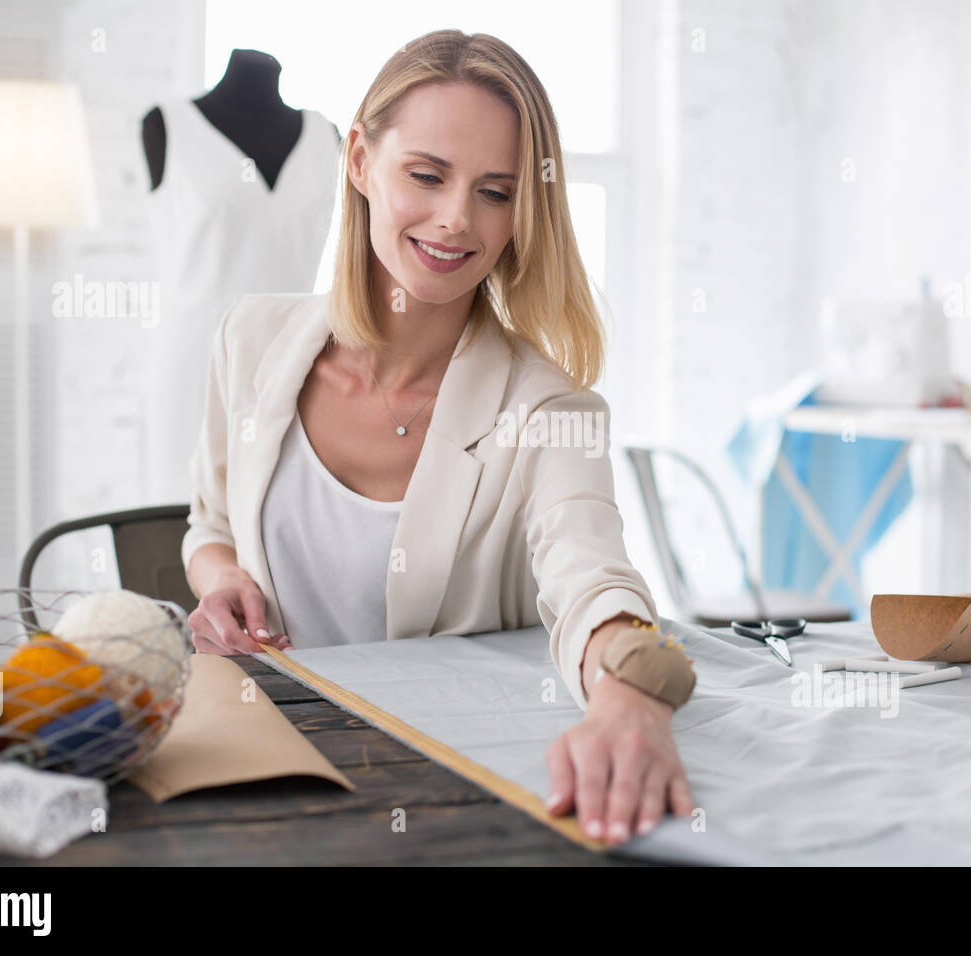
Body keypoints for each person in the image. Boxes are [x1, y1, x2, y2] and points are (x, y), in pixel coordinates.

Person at [181, 29, 695, 847]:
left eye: (497, 191)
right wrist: (219, 583)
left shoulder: (549, 406)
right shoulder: (250, 339)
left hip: (441, 799)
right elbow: (209, 524)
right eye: (427, 176)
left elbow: (591, 577)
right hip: (261, 769)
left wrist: (630, 697)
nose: (458, 220)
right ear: (358, 160)